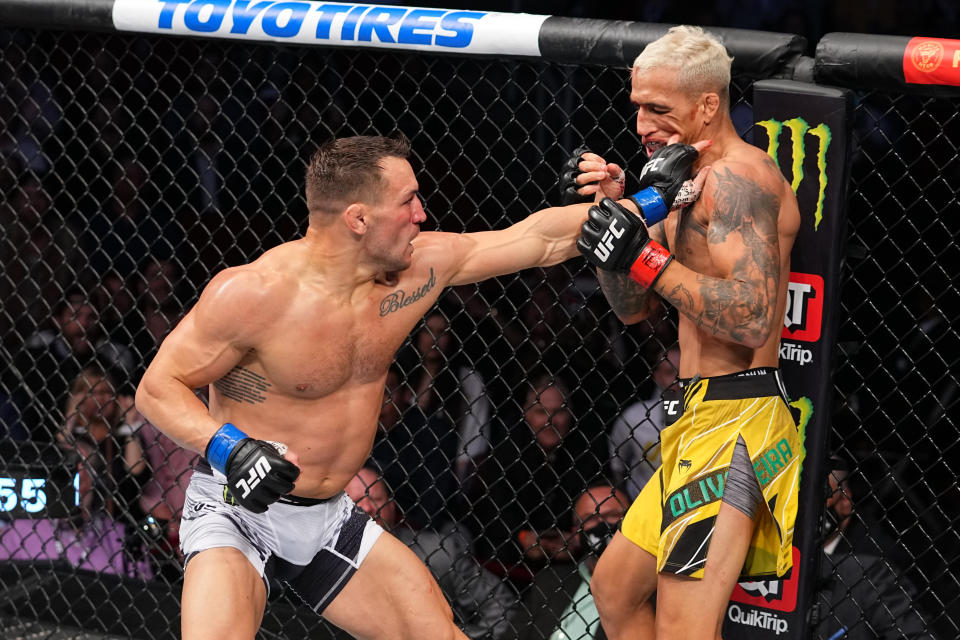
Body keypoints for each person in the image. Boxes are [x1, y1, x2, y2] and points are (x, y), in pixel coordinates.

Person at [135, 134, 707, 639]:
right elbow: (158, 387)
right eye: (407, 201)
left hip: (327, 516)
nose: (422, 213)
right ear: (358, 218)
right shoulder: (253, 295)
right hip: (238, 511)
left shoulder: (418, 269)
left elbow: (537, 239)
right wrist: (228, 447)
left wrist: (656, 199)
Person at [570, 26, 803, 640]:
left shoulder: (737, 180)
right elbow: (630, 310)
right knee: (615, 591)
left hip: (736, 424)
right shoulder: (682, 181)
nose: (643, 124)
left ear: (708, 105)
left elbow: (752, 317)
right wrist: (617, 230)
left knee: (685, 627)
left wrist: (643, 257)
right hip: (692, 420)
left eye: (659, 109)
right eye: (639, 107)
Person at [346, 466, 517, 640]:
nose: (367, 507)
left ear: (391, 506)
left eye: (376, 498)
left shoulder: (438, 552)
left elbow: (501, 605)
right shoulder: (324, 566)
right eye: (357, 500)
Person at [812, 457, 936, 640]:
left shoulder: (875, 563)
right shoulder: (782, 548)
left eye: (818, 498)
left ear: (844, 501)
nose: (805, 507)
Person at [519, 483, 630, 640]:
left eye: (612, 515)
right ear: (576, 532)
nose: (601, 524)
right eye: (590, 518)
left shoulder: (654, 591)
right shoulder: (550, 581)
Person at [608, 345, 680, 500]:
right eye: (669, 372)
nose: (678, 380)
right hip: (642, 502)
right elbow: (617, 465)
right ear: (657, 376)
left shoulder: (708, 417)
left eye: (685, 372)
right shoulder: (635, 417)